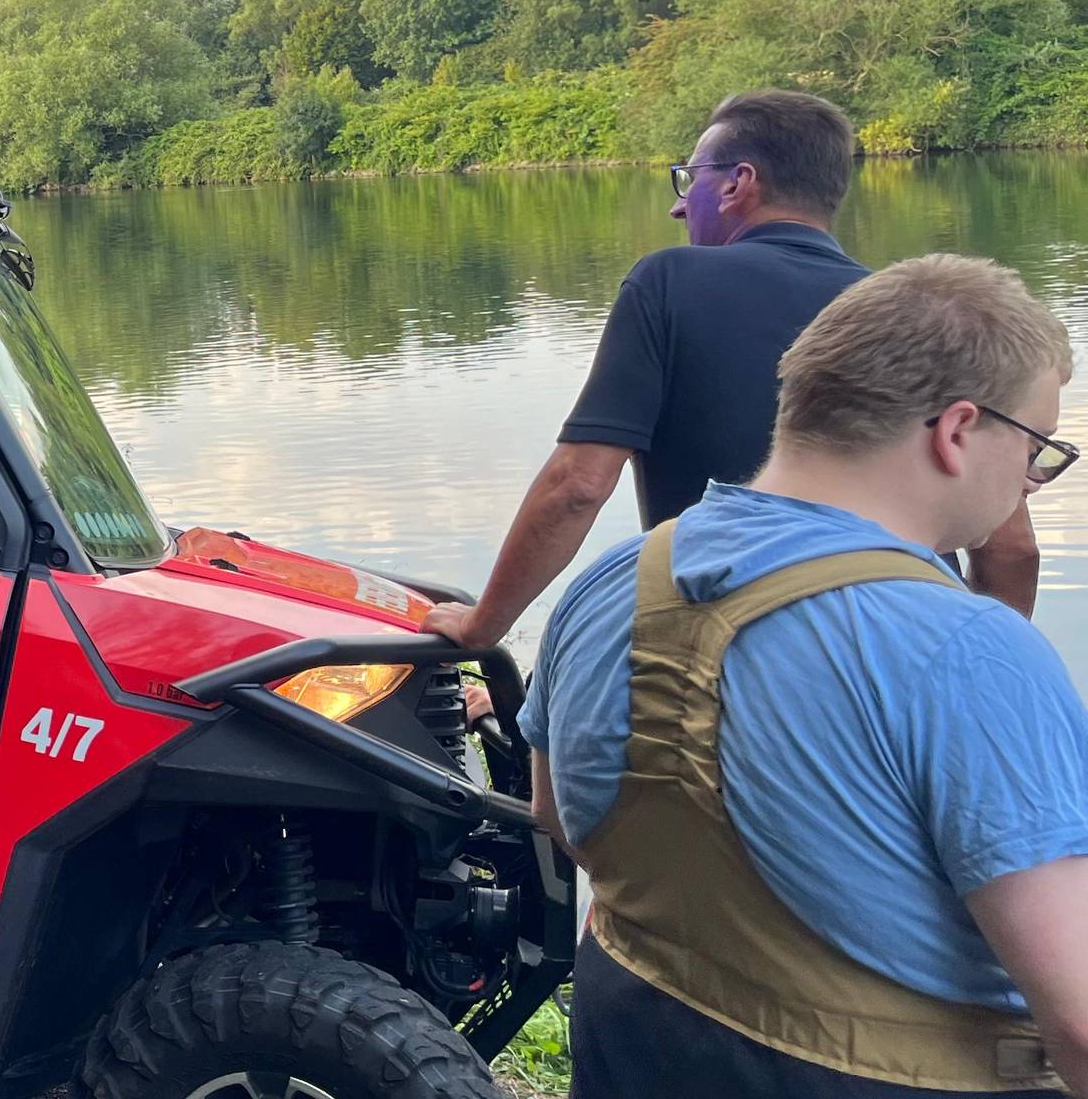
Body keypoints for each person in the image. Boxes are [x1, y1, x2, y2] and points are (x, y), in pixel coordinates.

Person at [520, 254, 1087, 1098]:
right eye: (1037, 449)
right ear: (958, 430)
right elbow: (1079, 1022)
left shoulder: (609, 582)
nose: (1031, 481)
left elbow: (555, 814)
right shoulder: (966, 647)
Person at [425, 90, 1040, 653]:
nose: (677, 206)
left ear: (737, 183)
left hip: (730, 650)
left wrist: (483, 626)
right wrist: (978, 661)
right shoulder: (924, 311)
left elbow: (578, 486)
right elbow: (1012, 548)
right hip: (910, 637)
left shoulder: (668, 283)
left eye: (688, 179)